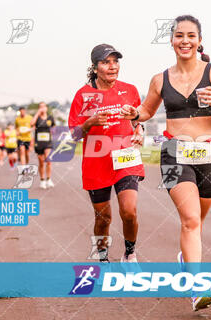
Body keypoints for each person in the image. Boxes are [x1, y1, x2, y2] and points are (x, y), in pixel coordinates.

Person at [120, 15, 211, 311]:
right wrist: (133, 113)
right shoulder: (160, 79)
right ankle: (197, 289)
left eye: (191, 36)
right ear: (171, 40)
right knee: (191, 220)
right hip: (174, 153)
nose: (185, 41)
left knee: (197, 222)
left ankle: (186, 259)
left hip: (209, 154)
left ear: (199, 41)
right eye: (179, 35)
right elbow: (146, 111)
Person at [68, 44, 144, 263]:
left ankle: (130, 254)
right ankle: (102, 259)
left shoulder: (129, 90)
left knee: (129, 211)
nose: (112, 66)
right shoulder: (83, 95)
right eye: (105, 62)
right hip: (96, 163)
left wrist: (140, 131)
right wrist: (89, 123)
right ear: (94, 67)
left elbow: (139, 119)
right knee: (103, 218)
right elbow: (73, 135)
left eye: (115, 61)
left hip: (125, 157)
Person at [31, 102, 56, 189]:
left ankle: (49, 179)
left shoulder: (50, 118)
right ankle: (42, 180)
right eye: (40, 107)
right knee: (41, 162)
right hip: (39, 142)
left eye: (43, 107)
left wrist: (53, 132)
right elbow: (31, 123)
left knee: (48, 160)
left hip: (48, 142)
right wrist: (37, 113)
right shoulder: (37, 118)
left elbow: (54, 128)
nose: (42, 108)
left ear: (46, 108)